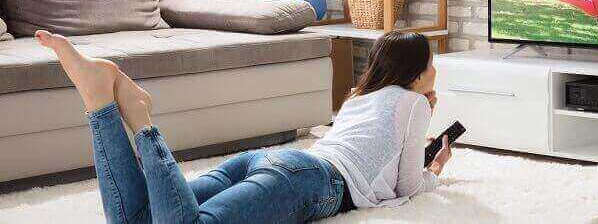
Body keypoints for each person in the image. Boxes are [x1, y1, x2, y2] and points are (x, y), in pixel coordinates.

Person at [34, 30, 451, 223]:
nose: (434, 71)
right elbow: (408, 187)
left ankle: (100, 105)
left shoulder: (359, 96)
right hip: (311, 179)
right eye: (430, 66)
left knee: (138, 218)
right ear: (415, 76)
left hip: (271, 161)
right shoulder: (415, 103)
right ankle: (142, 121)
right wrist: (434, 172)